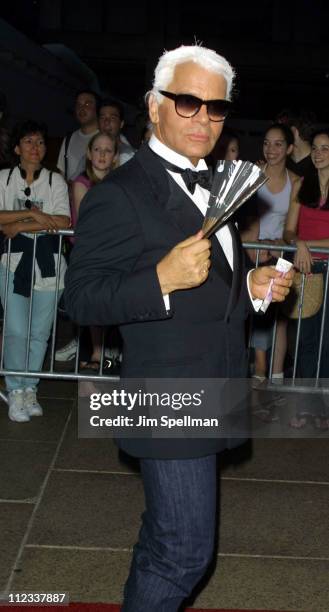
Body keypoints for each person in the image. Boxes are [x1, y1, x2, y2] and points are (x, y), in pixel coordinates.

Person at [64, 45, 293, 611]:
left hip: (210, 387)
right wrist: (159, 279)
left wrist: (249, 286)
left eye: (215, 108)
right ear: (155, 106)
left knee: (165, 543)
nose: (203, 118)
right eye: (188, 102)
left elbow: (210, 286)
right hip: (164, 396)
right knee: (184, 554)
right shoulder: (120, 193)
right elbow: (81, 298)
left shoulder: (214, 185)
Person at [0, 120, 70, 422]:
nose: (35, 147)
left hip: (49, 265)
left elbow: (63, 221)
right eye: (28, 141)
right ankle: (15, 389)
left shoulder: (56, 181)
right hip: (13, 263)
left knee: (39, 333)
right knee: (16, 331)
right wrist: (32, 213)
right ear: (17, 148)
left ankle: (30, 388)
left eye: (40, 142)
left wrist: (17, 225)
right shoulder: (3, 178)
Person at [241, 124, 298, 395]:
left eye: (277, 144)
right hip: (254, 251)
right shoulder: (252, 175)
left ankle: (275, 378)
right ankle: (260, 370)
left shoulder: (296, 181)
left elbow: (291, 227)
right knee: (260, 310)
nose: (270, 149)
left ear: (289, 148)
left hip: (282, 253)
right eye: (266, 143)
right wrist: (256, 248)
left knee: (282, 318)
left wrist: (280, 245)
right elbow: (247, 218)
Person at [284, 128, 329, 429]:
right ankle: (303, 405)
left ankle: (322, 409)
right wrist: (298, 242)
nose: (318, 153)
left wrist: (305, 243)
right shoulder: (301, 184)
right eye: (315, 147)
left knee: (326, 342)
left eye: (325, 148)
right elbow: (289, 230)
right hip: (306, 270)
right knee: (303, 340)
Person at [57, 90, 100, 182]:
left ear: (97, 109)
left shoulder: (105, 139)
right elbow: (62, 174)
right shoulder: (68, 139)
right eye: (78, 105)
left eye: (87, 104)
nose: (82, 108)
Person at [98, 99, 135, 166]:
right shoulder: (92, 150)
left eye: (112, 118)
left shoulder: (127, 156)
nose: (106, 122)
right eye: (102, 117)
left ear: (121, 124)